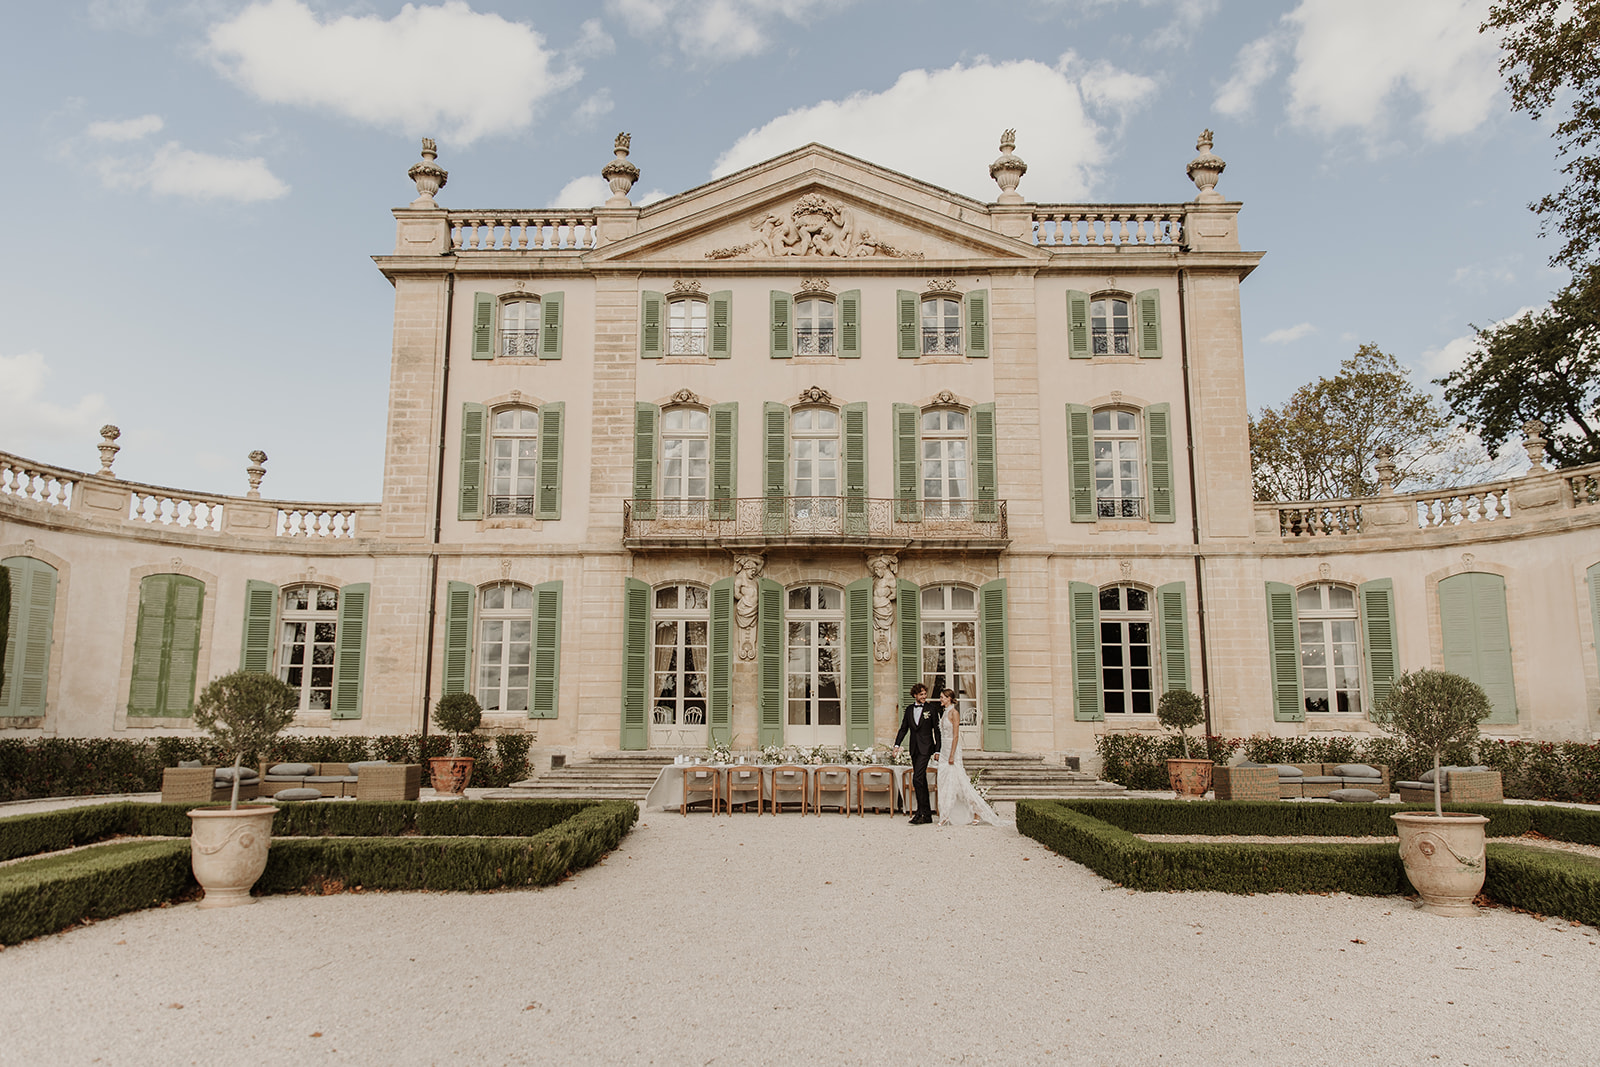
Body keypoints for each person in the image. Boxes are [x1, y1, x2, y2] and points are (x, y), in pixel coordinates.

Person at [934, 686, 1009, 828]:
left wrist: (951, 755)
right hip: (944, 749)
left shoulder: (954, 713)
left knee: (961, 783)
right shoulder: (945, 712)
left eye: (942, 697)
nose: (940, 699)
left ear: (949, 698)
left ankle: (976, 811)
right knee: (945, 782)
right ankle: (946, 813)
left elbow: (955, 735)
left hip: (952, 750)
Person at [892, 683, 940, 825]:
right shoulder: (909, 709)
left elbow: (937, 731)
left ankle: (920, 812)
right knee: (922, 780)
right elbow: (903, 729)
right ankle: (927, 815)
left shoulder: (931, 709)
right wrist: (896, 745)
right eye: (921, 694)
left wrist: (938, 750)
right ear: (915, 695)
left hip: (926, 748)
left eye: (925, 694)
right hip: (914, 748)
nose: (924, 696)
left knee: (917, 779)